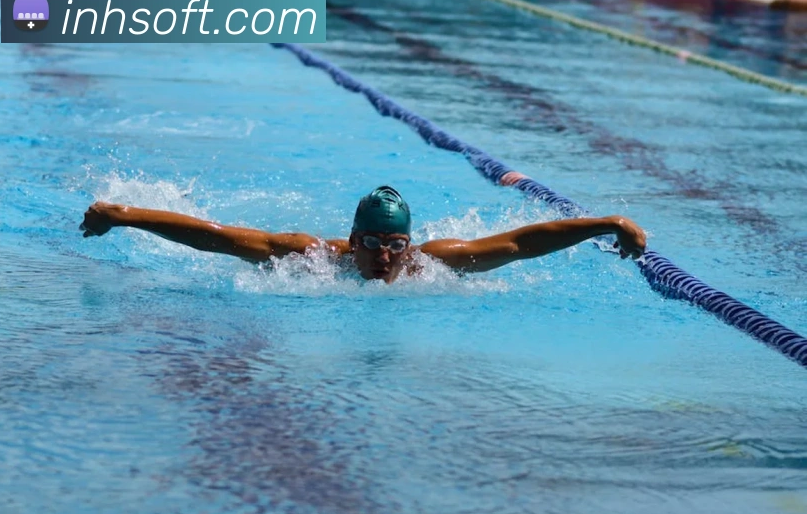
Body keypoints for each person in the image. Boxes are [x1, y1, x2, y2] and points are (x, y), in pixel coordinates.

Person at [79, 185, 647, 284]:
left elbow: (522, 243)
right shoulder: (310, 259)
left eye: (394, 245)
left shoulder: (432, 264)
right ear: (352, 242)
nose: (383, 257)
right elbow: (216, 236)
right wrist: (125, 214)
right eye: (372, 244)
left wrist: (607, 221)